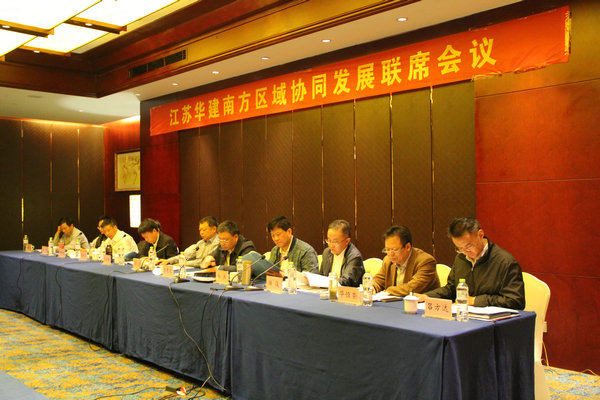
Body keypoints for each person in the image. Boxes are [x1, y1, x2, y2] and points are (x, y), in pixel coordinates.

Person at [421, 217, 525, 309]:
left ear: (480, 235)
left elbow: (515, 301)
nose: (465, 252)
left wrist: (475, 301)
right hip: (465, 315)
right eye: (459, 248)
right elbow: (451, 289)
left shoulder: (504, 262)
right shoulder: (461, 258)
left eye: (468, 246)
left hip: (493, 321)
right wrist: (427, 296)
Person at [373, 225, 440, 297]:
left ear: (408, 247)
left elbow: (412, 288)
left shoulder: (425, 261)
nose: (390, 254)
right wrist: (373, 287)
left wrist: (388, 291)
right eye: (387, 250)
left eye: (394, 250)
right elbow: (379, 279)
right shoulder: (388, 260)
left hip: (419, 303)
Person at [319, 219, 364, 287]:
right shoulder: (327, 252)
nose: (331, 245)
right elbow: (321, 276)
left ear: (347, 241)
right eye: (329, 240)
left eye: (335, 242)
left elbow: (346, 281)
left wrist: (326, 282)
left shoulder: (354, 256)